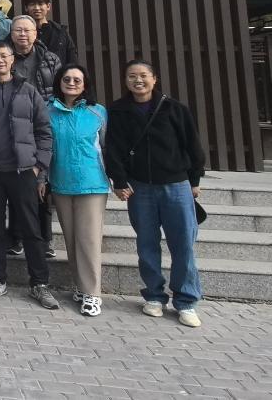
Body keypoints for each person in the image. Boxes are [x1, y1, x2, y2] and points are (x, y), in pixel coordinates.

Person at [105, 59, 205, 328]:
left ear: (154, 78)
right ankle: (154, 295)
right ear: (125, 80)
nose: (138, 80)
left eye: (143, 75)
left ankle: (186, 300)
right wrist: (119, 180)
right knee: (147, 243)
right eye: (131, 76)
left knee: (183, 243)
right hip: (140, 187)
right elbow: (113, 148)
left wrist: (194, 179)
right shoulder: (118, 110)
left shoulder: (175, 108)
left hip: (176, 184)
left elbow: (192, 144)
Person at [0, 39, 58, 310]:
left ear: (12, 60)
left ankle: (39, 283)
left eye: (4, 56)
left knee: (31, 227)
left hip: (23, 171)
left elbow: (44, 131)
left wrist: (39, 166)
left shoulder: (29, 91)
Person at [48, 63, 108, 317]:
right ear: (59, 82)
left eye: (77, 80)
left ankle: (93, 293)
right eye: (67, 79)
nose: (71, 83)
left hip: (92, 182)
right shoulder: (48, 110)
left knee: (89, 239)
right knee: (72, 239)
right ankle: (81, 287)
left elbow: (107, 146)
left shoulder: (97, 112)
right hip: (61, 182)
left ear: (85, 85)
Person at [6, 15, 61, 257]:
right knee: (17, 182)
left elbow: (58, 89)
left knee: (41, 182)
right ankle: (16, 236)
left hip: (41, 121)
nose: (23, 34)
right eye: (18, 30)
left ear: (35, 34)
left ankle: (45, 239)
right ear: (11, 33)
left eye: (27, 30)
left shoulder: (50, 58)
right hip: (13, 124)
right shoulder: (5, 56)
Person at [24, 0, 78, 65]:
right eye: (32, 4)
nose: (37, 8)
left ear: (48, 6)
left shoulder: (60, 32)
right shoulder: (22, 33)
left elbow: (72, 59)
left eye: (40, 4)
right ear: (26, 8)